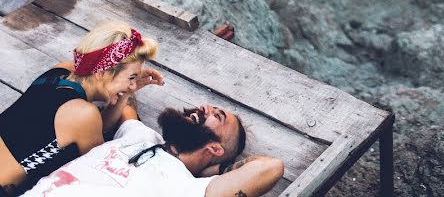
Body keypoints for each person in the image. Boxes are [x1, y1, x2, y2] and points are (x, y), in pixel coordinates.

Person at [0, 22, 162, 195]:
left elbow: (97, 128)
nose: (132, 85)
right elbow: (102, 170)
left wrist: (127, 93)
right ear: (102, 73)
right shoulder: (83, 114)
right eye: (131, 77)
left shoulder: (62, 71)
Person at [22, 97, 284, 197]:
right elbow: (127, 104)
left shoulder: (191, 188)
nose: (204, 108)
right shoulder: (141, 134)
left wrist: (213, 170)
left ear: (215, 149)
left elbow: (271, 168)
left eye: (218, 116)